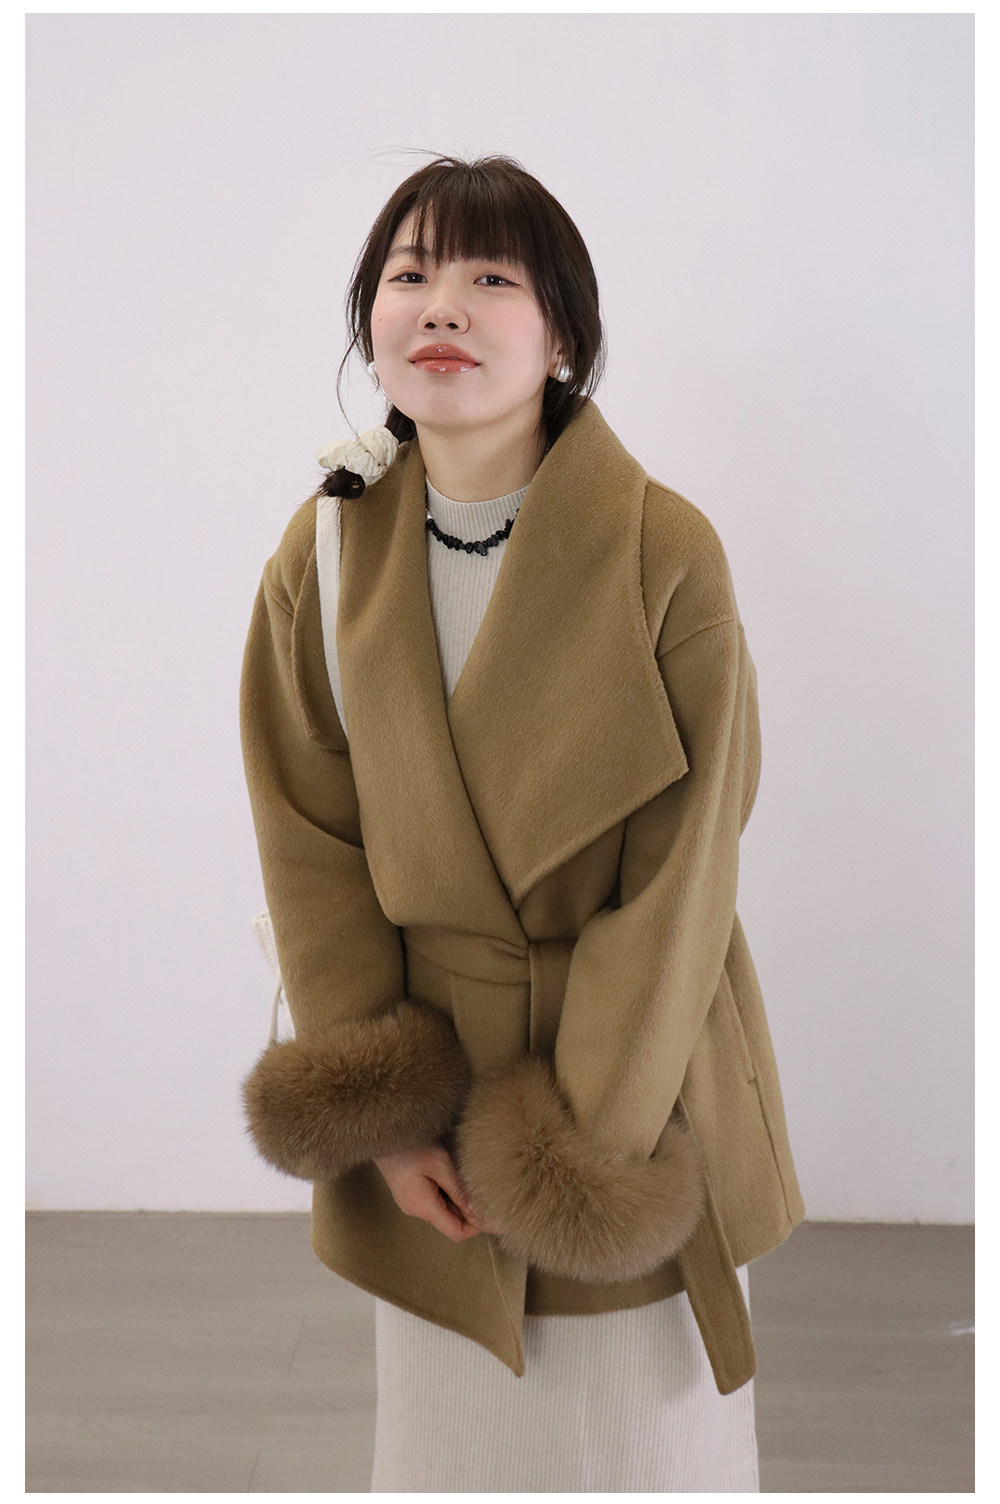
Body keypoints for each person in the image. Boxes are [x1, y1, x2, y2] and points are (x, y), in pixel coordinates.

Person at [239, 152, 805, 1492]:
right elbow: (309, 845)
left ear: (562, 338)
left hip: (632, 1079)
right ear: (371, 323)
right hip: (432, 1074)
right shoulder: (325, 550)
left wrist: (575, 1143)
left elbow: (683, 876)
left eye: (492, 277)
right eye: (410, 274)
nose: (443, 304)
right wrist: (386, 1115)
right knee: (455, 1447)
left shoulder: (664, 550)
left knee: (638, 1442)